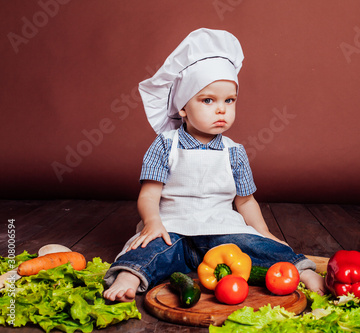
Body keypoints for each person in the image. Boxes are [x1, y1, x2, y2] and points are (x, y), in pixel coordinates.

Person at [103, 28, 325, 302]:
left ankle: (302, 272)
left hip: (222, 230)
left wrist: (264, 233)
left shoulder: (235, 152)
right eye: (208, 100)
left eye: (229, 100)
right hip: (173, 229)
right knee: (151, 248)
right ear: (182, 107)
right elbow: (149, 194)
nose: (221, 109)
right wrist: (152, 223)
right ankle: (131, 274)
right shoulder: (164, 145)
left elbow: (245, 202)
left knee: (256, 246)